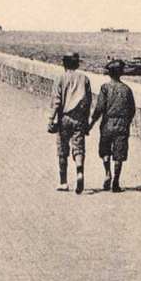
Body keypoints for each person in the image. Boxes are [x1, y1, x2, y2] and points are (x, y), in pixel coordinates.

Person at [88, 59, 136, 192]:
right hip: (122, 125)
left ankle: (107, 173)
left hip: (107, 124)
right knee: (119, 154)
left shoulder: (105, 88)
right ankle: (116, 181)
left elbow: (99, 109)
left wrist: (91, 125)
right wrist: (127, 122)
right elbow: (132, 110)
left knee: (105, 151)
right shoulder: (127, 90)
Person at [48, 52, 92, 194]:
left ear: (64, 64)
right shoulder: (84, 78)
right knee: (78, 148)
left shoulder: (60, 78)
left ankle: (63, 182)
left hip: (64, 118)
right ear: (77, 63)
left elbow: (56, 101)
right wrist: (86, 121)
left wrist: (51, 119)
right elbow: (88, 101)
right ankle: (79, 172)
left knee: (62, 150)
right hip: (79, 118)